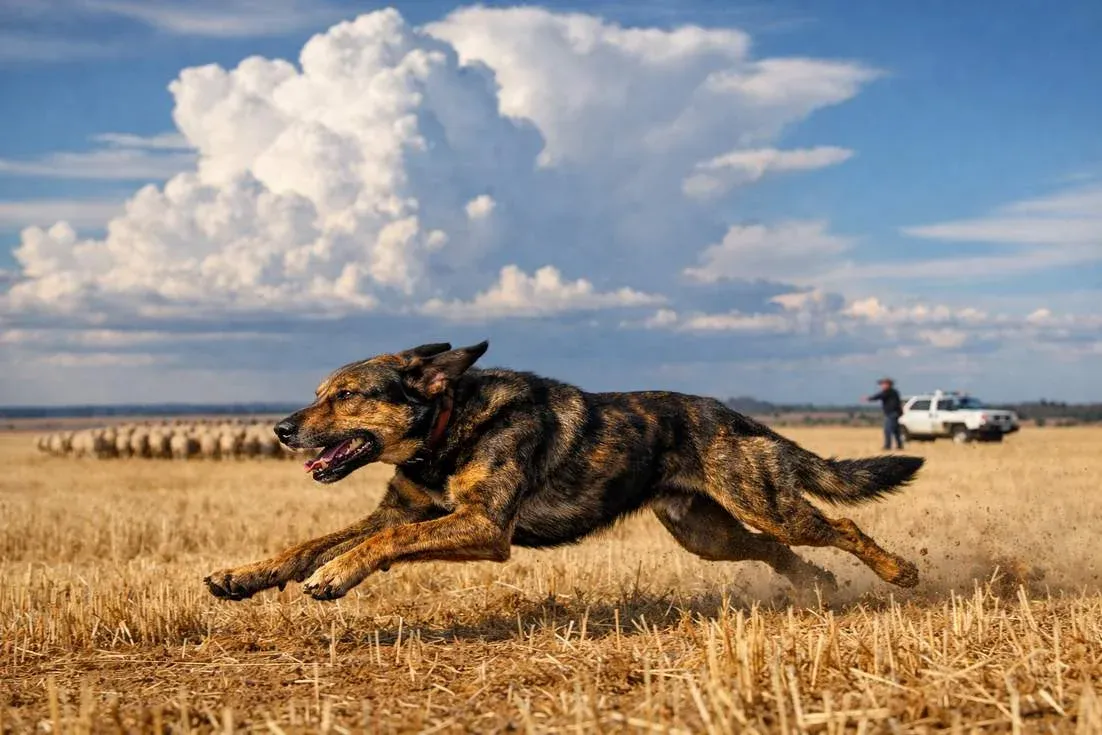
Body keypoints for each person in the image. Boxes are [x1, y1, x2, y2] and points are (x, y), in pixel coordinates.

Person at [865, 377, 904, 450]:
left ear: (889, 384)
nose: (882, 386)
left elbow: (879, 396)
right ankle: (899, 445)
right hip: (894, 413)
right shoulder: (894, 392)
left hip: (892, 414)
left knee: (887, 430)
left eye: (884, 384)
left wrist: (869, 398)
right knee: (896, 430)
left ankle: (887, 446)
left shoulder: (889, 392)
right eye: (882, 384)